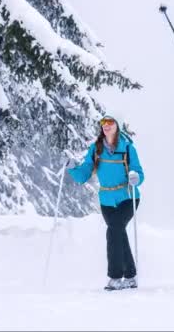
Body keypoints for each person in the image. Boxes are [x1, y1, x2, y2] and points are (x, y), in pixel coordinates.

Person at [67, 115, 144, 291]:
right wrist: (72, 167)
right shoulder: (96, 149)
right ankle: (131, 277)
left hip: (128, 196)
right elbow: (83, 174)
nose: (106, 126)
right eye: (103, 123)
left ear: (117, 126)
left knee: (114, 231)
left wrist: (135, 177)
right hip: (107, 200)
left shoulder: (127, 148)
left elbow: (138, 171)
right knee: (118, 233)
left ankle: (115, 277)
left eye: (110, 123)